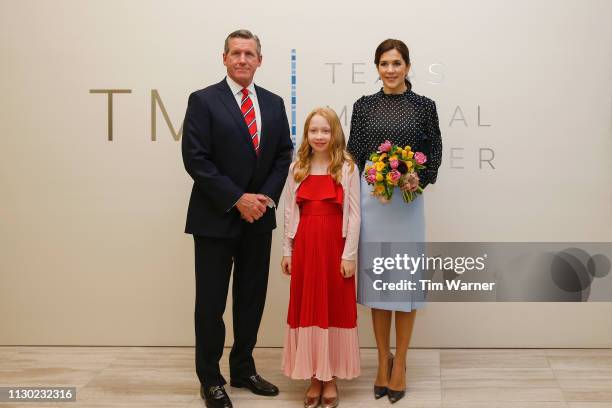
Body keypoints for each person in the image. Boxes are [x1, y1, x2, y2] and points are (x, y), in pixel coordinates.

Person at [181, 29, 293, 408]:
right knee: (211, 304)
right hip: (215, 218)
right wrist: (237, 198)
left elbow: (283, 155)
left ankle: (243, 369)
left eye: (249, 54)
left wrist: (263, 200)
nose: (242, 59)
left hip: (258, 219)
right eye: (236, 53)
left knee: (251, 300)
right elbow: (196, 159)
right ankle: (210, 380)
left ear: (260, 60)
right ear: (224, 58)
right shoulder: (203, 100)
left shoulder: (274, 103)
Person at [346, 38, 442, 404]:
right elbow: (355, 152)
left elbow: (434, 149)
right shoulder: (363, 106)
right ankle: (381, 363)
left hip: (408, 201)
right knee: (378, 286)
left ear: (407, 66)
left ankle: (400, 362)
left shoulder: (424, 106)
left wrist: (420, 178)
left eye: (397, 63)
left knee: (404, 285)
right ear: (376, 67)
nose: (390, 70)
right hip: (373, 203)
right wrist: (360, 191)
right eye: (384, 63)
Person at [281, 107, 361, 408]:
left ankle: (330, 379)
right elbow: (290, 211)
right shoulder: (297, 168)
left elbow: (354, 216)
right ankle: (314, 377)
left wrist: (349, 255)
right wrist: (287, 250)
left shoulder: (347, 168)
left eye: (325, 131)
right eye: (313, 131)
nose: (319, 136)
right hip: (305, 247)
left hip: (334, 247)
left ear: (335, 133)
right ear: (306, 134)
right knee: (309, 309)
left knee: (332, 309)